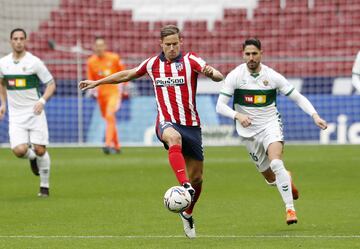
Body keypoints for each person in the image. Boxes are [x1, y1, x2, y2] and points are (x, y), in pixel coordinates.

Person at [79, 25, 224, 238]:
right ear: (161, 44)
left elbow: (215, 74)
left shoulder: (191, 60)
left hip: (191, 124)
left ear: (181, 42)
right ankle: (184, 185)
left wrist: (214, 74)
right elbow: (127, 74)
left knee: (199, 178)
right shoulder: (152, 64)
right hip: (166, 122)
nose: (172, 48)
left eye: (175, 43)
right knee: (173, 139)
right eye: (168, 44)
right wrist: (97, 82)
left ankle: (187, 212)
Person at [216, 38, 327, 225]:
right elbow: (220, 106)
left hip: (270, 125)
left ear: (261, 54)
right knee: (270, 177)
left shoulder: (272, 76)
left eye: (254, 54)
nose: (251, 58)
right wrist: (238, 115)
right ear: (243, 55)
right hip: (248, 132)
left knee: (276, 163)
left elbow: (298, 98)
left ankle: (290, 209)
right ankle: (286, 177)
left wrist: (314, 115)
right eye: (247, 54)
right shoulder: (235, 76)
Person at [0, 28, 56, 197]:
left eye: (21, 38)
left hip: (35, 112)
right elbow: (1, 83)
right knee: (18, 150)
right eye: (15, 38)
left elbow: (51, 84)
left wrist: (42, 101)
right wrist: (3, 103)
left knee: (40, 150)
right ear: (10, 41)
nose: (18, 41)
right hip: (16, 116)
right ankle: (31, 158)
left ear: (26, 41)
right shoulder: (3, 63)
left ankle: (44, 187)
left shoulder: (34, 62)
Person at [87, 36, 127, 154]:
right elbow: (91, 79)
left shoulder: (114, 58)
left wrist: (123, 87)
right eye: (97, 45)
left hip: (114, 91)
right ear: (94, 47)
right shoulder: (91, 62)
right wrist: (92, 91)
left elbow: (124, 74)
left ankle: (108, 144)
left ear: (105, 46)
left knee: (110, 115)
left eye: (101, 45)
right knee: (109, 119)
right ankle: (117, 145)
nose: (99, 48)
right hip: (101, 95)